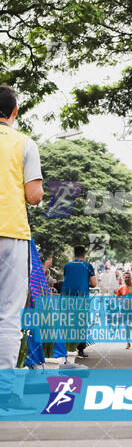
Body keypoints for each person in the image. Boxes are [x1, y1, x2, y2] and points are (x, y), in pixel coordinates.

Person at [0, 84, 44, 410]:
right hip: (12, 234)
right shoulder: (24, 143)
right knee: (8, 316)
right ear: (14, 111)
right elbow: (34, 196)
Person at [61, 246, 97, 358]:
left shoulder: (67, 266)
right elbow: (94, 283)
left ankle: (66, 347)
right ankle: (80, 349)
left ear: (74, 254)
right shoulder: (88, 266)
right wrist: (87, 283)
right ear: (84, 254)